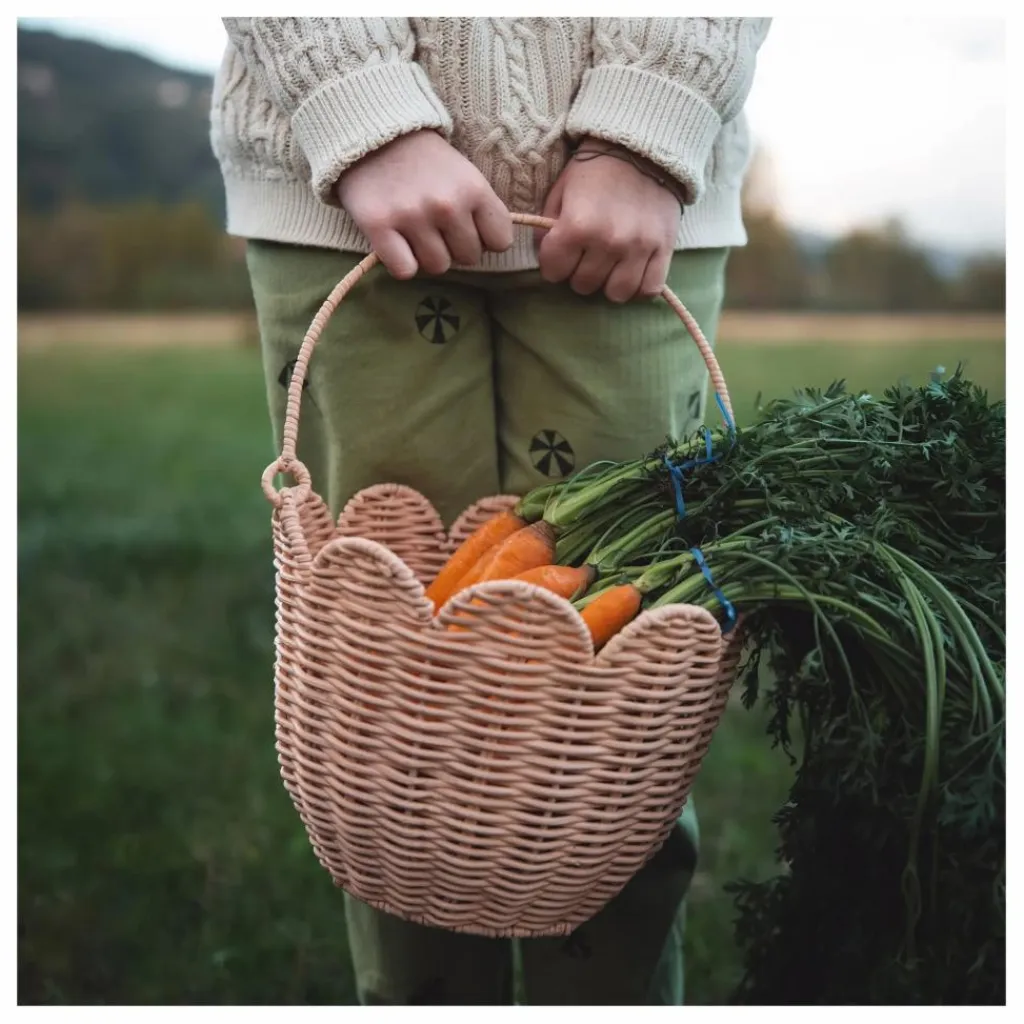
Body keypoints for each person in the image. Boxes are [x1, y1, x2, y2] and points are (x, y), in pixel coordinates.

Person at [211, 16, 770, 1005]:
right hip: (337, 194)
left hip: (636, 214)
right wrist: (362, 107)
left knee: (616, 729)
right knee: (387, 723)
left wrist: (648, 122)